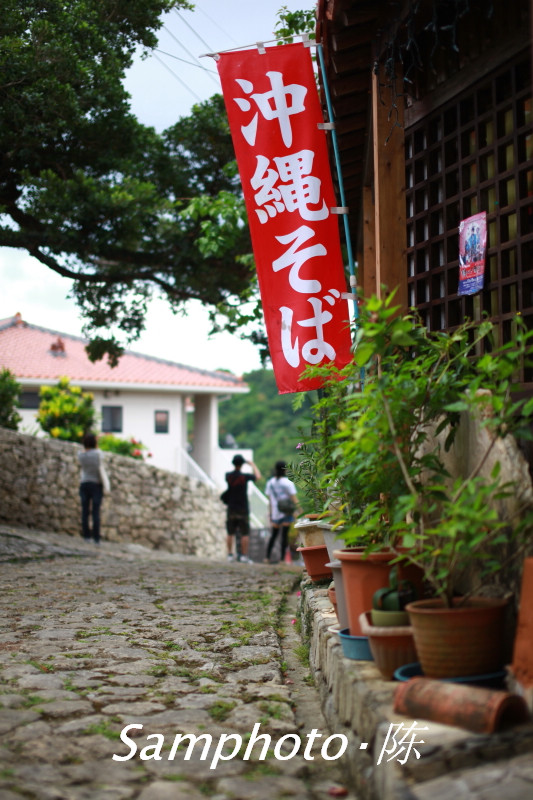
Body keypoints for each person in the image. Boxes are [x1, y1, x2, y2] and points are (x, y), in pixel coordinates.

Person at [224, 454, 261, 563]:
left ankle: (230, 554)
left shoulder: (228, 476)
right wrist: (252, 465)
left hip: (231, 507)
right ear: (242, 464)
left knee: (230, 532)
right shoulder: (245, 477)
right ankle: (243, 555)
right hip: (243, 507)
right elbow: (258, 476)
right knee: (244, 533)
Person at [264, 460, 299, 564]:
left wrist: (270, 514)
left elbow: (270, 501)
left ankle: (267, 557)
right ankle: (282, 559)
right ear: (285, 470)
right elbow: (294, 499)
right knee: (284, 536)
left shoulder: (270, 483)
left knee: (273, 536)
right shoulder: (288, 483)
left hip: (275, 513)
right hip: (286, 512)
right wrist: (300, 511)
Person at [78, 432, 106, 544]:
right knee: (95, 512)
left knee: (85, 511)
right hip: (96, 484)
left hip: (84, 483)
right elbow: (100, 458)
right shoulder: (97, 454)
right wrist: (96, 443)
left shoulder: (80, 454)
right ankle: (96, 538)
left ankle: (86, 536)